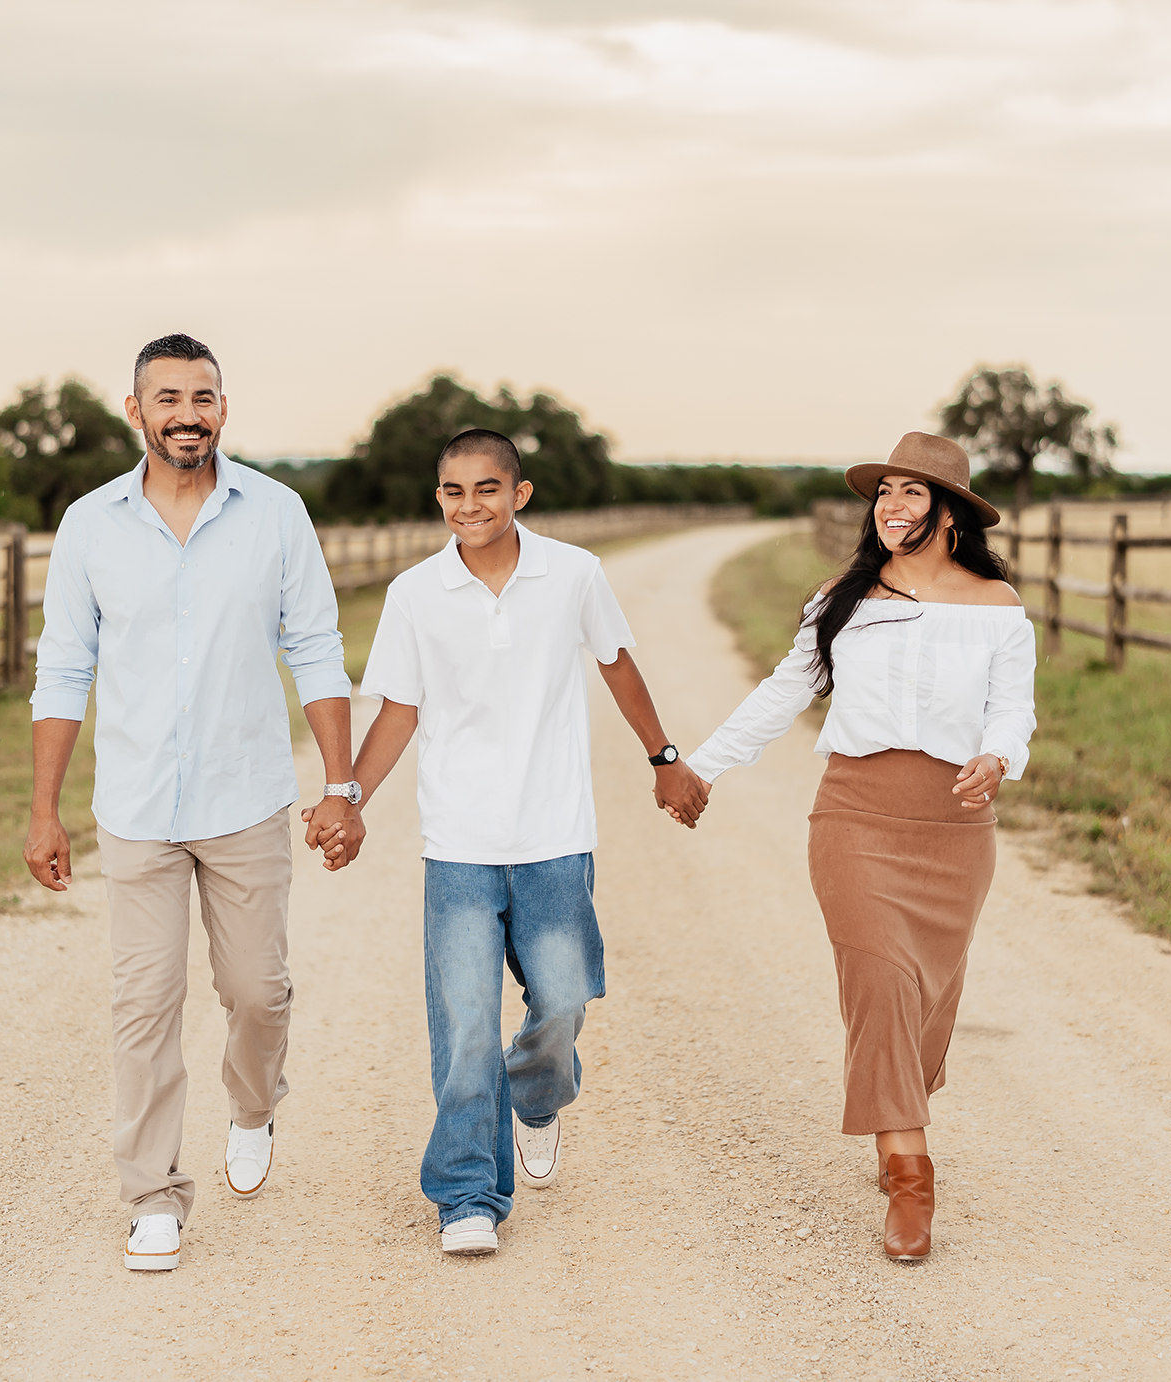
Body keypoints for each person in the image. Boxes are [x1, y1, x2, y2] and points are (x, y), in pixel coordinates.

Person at [310, 427, 710, 1257]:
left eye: (487, 489)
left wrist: (664, 757)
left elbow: (617, 663)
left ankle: (532, 1095)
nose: (470, 506)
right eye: (454, 492)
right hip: (458, 842)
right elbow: (399, 712)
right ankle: (466, 1196)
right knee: (463, 1026)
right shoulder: (415, 594)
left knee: (562, 1003)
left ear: (519, 493)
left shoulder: (574, 574)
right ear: (439, 500)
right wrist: (346, 795)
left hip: (555, 833)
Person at [24, 333, 365, 1273]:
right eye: (167, 396)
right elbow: (64, 667)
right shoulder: (90, 525)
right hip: (134, 808)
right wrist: (44, 808)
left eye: (203, 396)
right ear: (135, 412)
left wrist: (341, 786)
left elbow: (318, 649)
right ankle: (153, 1196)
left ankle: (253, 1107)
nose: (188, 412)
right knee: (144, 1004)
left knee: (259, 993)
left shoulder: (277, 513)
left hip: (246, 798)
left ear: (223, 408)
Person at [685, 432, 1036, 1263]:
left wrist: (999, 755)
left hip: (954, 826)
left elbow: (1012, 708)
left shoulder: (998, 607)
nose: (892, 505)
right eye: (884, 492)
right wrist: (700, 767)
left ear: (949, 514)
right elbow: (784, 692)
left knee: (925, 994)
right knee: (878, 977)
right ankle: (911, 1175)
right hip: (854, 816)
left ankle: (896, 1108)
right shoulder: (842, 597)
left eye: (913, 493)